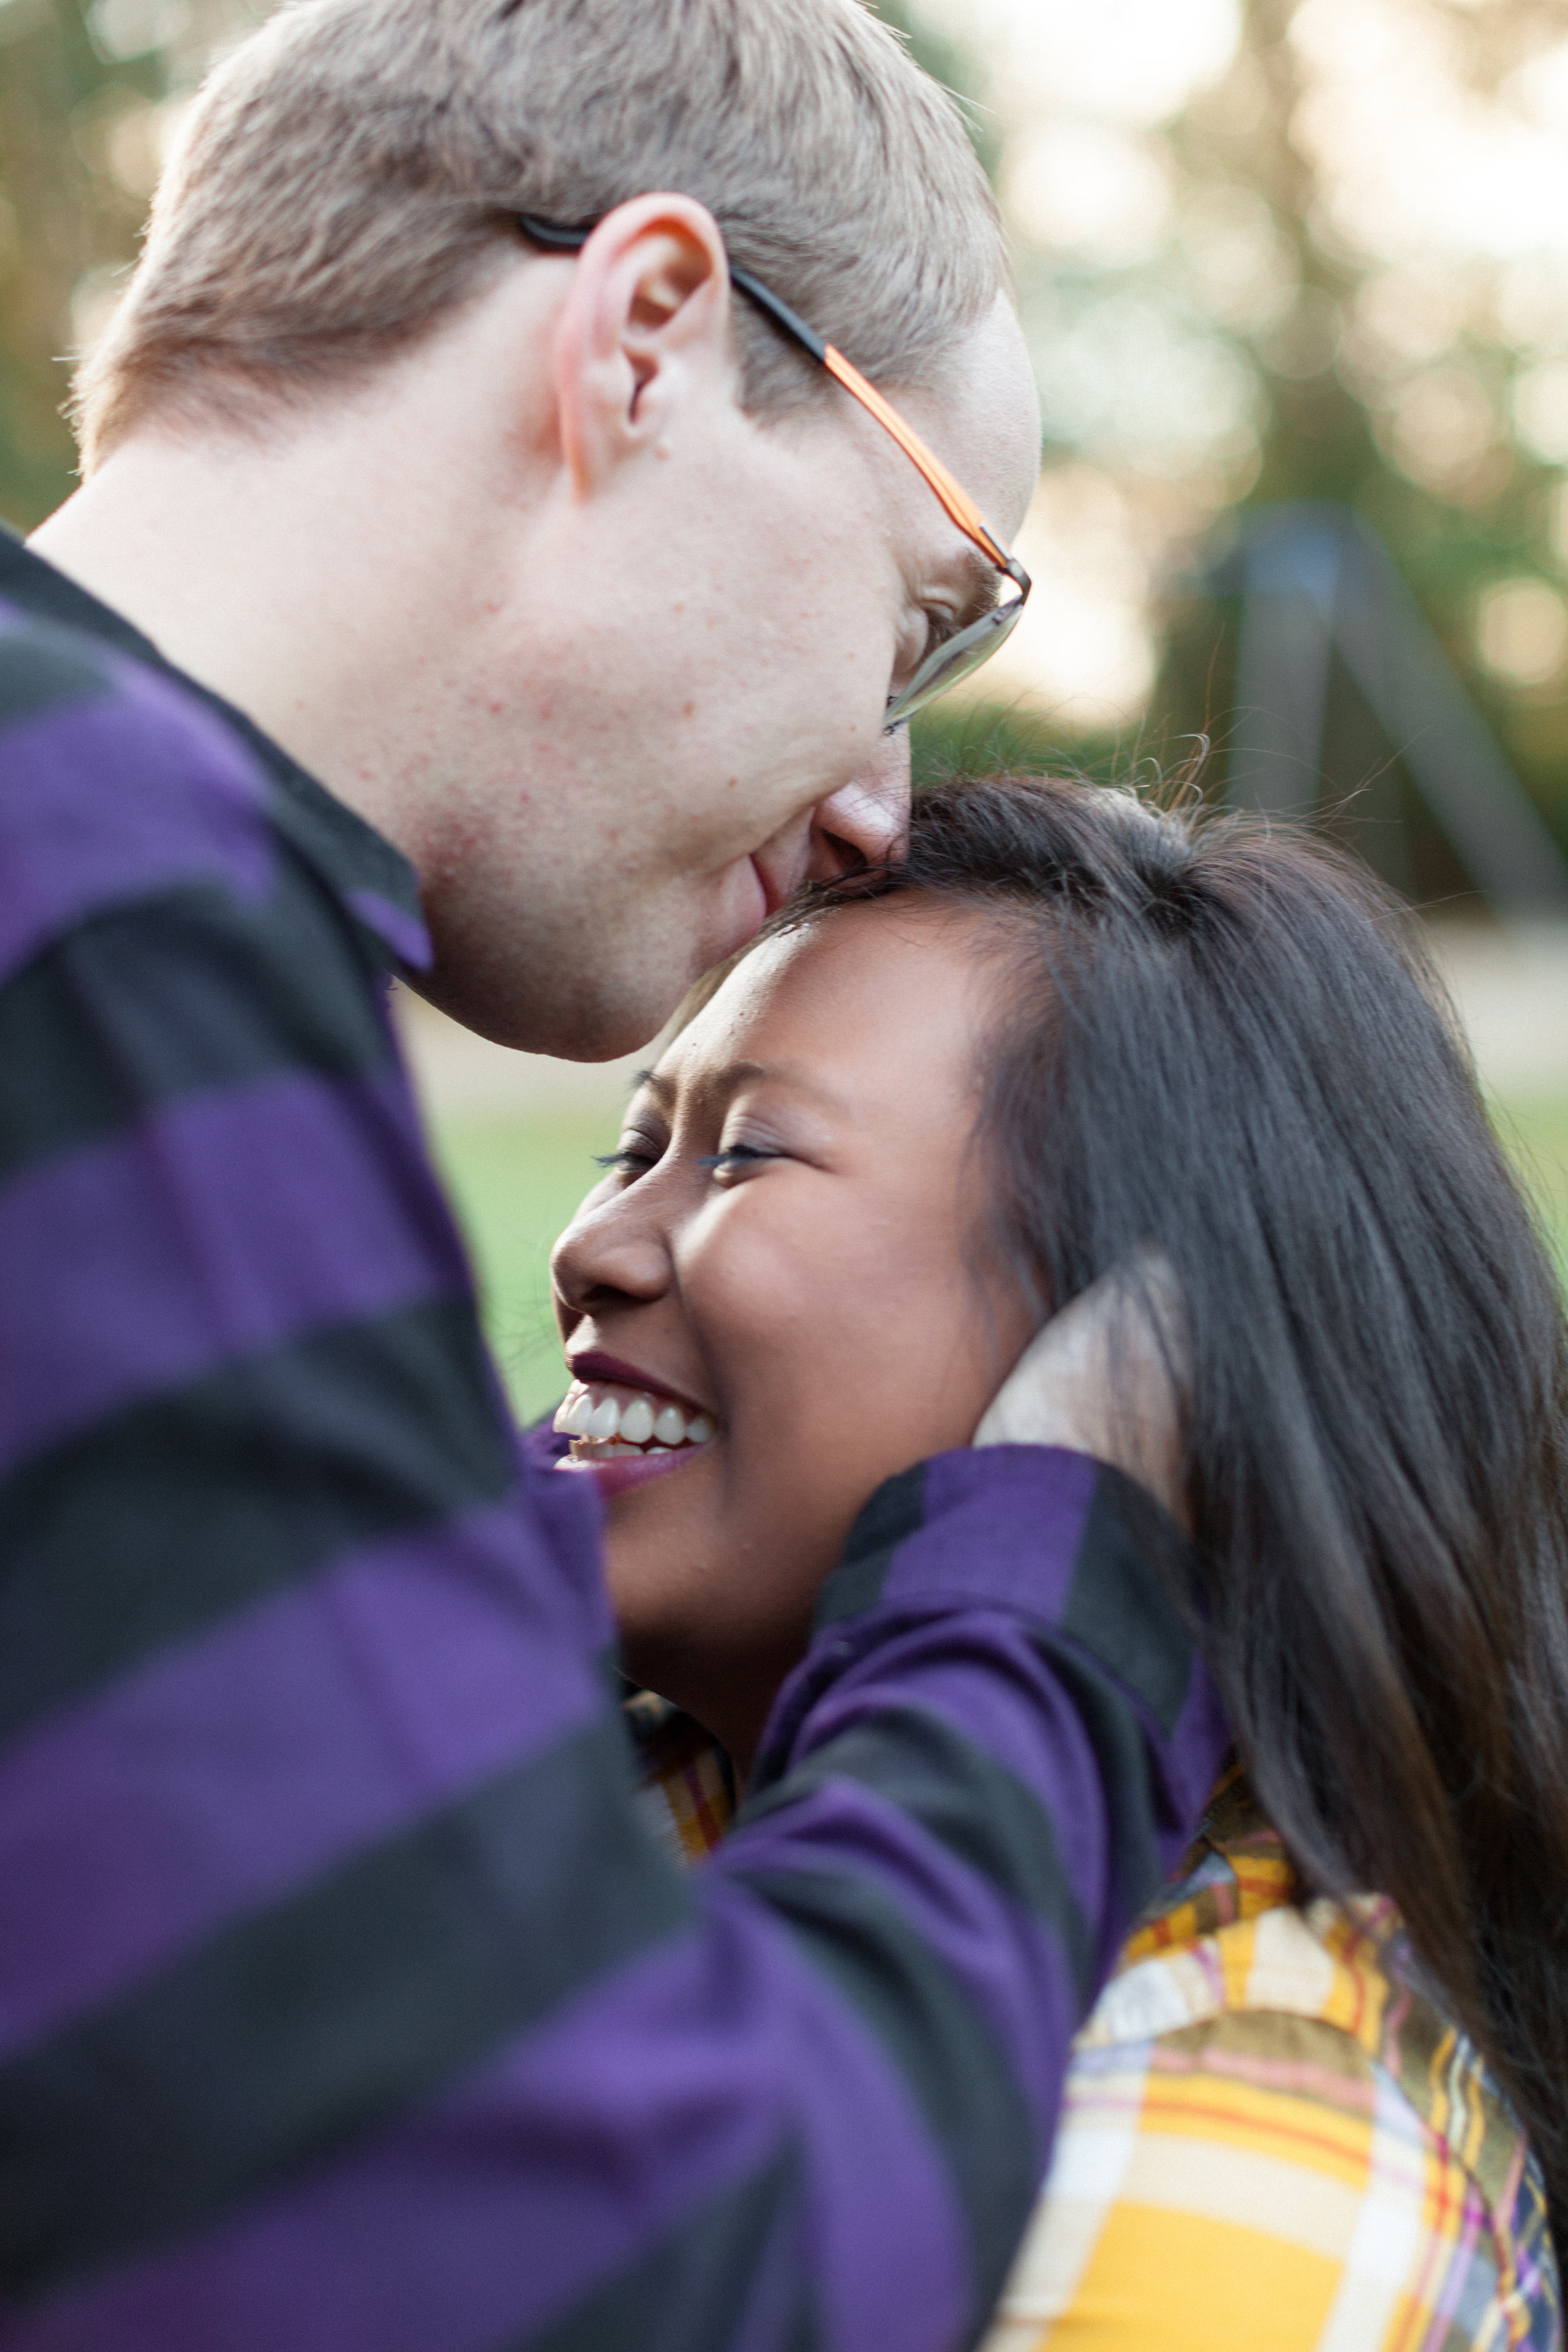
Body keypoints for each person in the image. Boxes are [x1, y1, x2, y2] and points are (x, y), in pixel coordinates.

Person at [0, 4, 1232, 2346]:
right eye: (921, 612)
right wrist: (1059, 1597)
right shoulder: (101, 926)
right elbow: (626, 2281)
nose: (883, 793)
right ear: (646, 340)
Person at [548, 774, 1568, 2348]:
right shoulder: (636, 1784)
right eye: (635, 1147)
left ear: (1125, 1357)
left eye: (746, 1157)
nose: (593, 1245)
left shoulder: (1232, 2180)